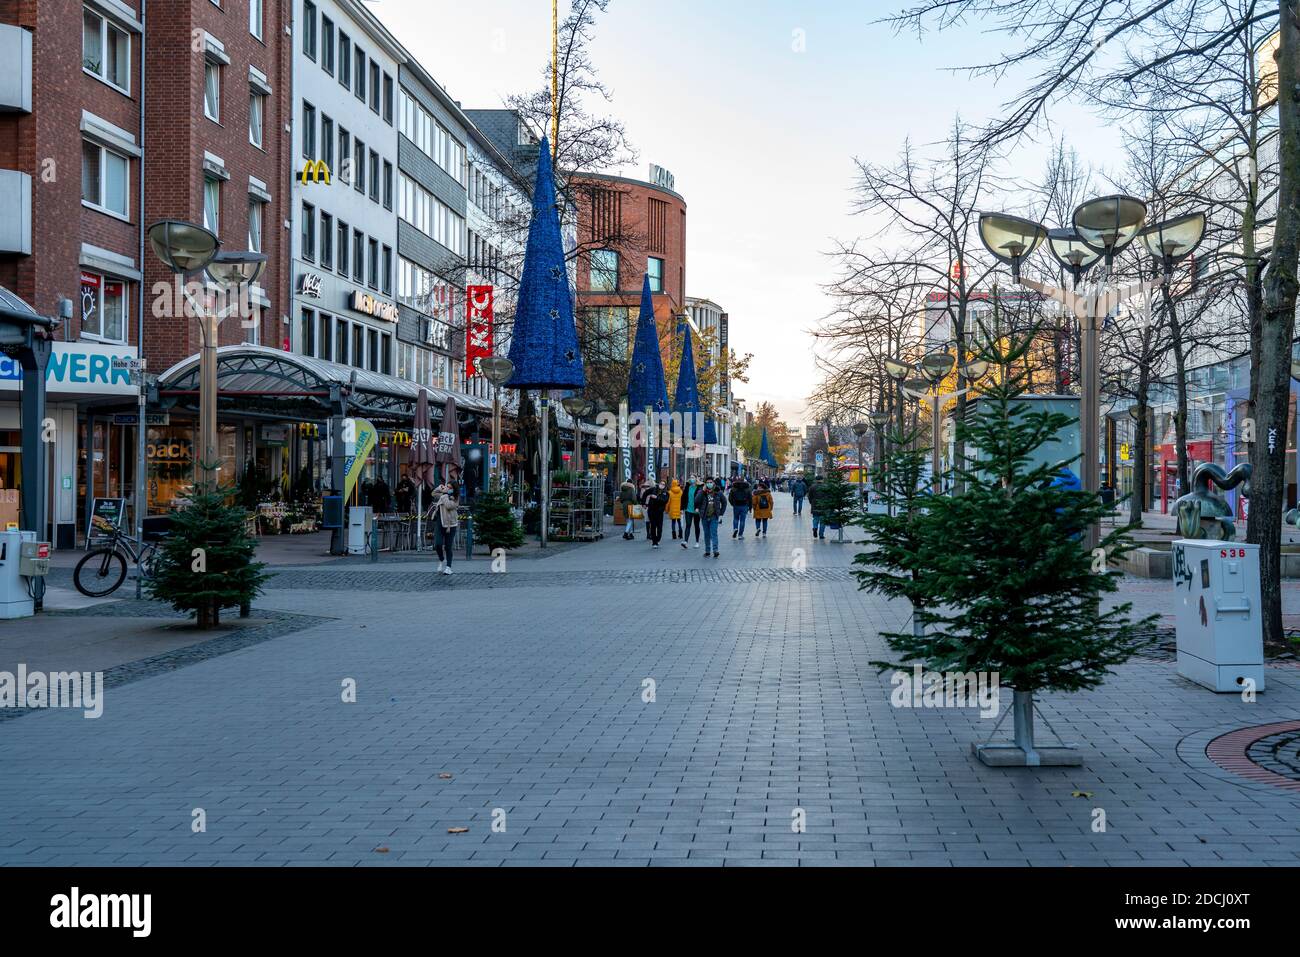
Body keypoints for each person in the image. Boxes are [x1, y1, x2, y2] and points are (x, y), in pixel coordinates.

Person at [431, 483, 460, 575]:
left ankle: (448, 567)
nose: (448, 488)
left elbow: (448, 505)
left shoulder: (455, 498)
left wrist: (444, 495)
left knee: (448, 546)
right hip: (440, 522)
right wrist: (440, 487)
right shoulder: (443, 495)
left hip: (450, 524)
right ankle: (441, 559)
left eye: (450, 487)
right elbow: (434, 493)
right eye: (447, 486)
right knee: (437, 544)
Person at [695, 478, 727, 558]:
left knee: (714, 533)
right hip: (705, 516)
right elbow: (696, 501)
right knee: (706, 534)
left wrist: (721, 513)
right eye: (708, 482)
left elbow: (724, 502)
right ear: (705, 484)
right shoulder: (702, 492)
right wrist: (702, 491)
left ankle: (715, 551)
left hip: (714, 516)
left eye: (711, 482)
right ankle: (707, 551)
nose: (709, 484)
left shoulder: (718, 492)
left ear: (713, 483)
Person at [644, 480, 669, 548]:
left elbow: (664, 501)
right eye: (661, 483)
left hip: (659, 512)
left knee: (659, 527)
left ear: (665, 486)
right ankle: (654, 542)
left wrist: (656, 498)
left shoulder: (666, 493)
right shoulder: (653, 489)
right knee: (653, 526)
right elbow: (645, 493)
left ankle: (658, 538)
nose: (662, 485)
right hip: (651, 511)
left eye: (663, 484)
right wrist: (644, 503)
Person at [728, 474, 752, 539]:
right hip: (744, 506)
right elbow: (750, 498)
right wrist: (750, 507)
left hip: (736, 505)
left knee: (735, 518)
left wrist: (733, 504)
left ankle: (735, 528)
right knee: (742, 520)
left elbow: (730, 498)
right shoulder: (747, 488)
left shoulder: (734, 488)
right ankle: (740, 535)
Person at [681, 476, 702, 549]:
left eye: (693, 477)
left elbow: (701, 499)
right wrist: (681, 508)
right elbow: (683, 498)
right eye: (690, 477)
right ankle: (685, 541)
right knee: (688, 525)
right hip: (688, 510)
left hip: (696, 510)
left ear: (696, 479)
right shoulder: (687, 487)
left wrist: (698, 508)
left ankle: (697, 542)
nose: (691, 479)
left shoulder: (699, 488)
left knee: (696, 526)